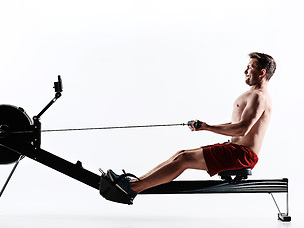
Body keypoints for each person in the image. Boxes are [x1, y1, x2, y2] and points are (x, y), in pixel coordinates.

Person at [107, 52, 277, 201]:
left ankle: (132, 189)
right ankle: (133, 183)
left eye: (250, 67)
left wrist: (207, 127)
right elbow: (237, 125)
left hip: (241, 155)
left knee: (184, 160)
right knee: (181, 155)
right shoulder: (256, 95)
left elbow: (241, 130)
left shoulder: (259, 97)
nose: (245, 71)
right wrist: (205, 126)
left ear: (262, 72)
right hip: (235, 150)